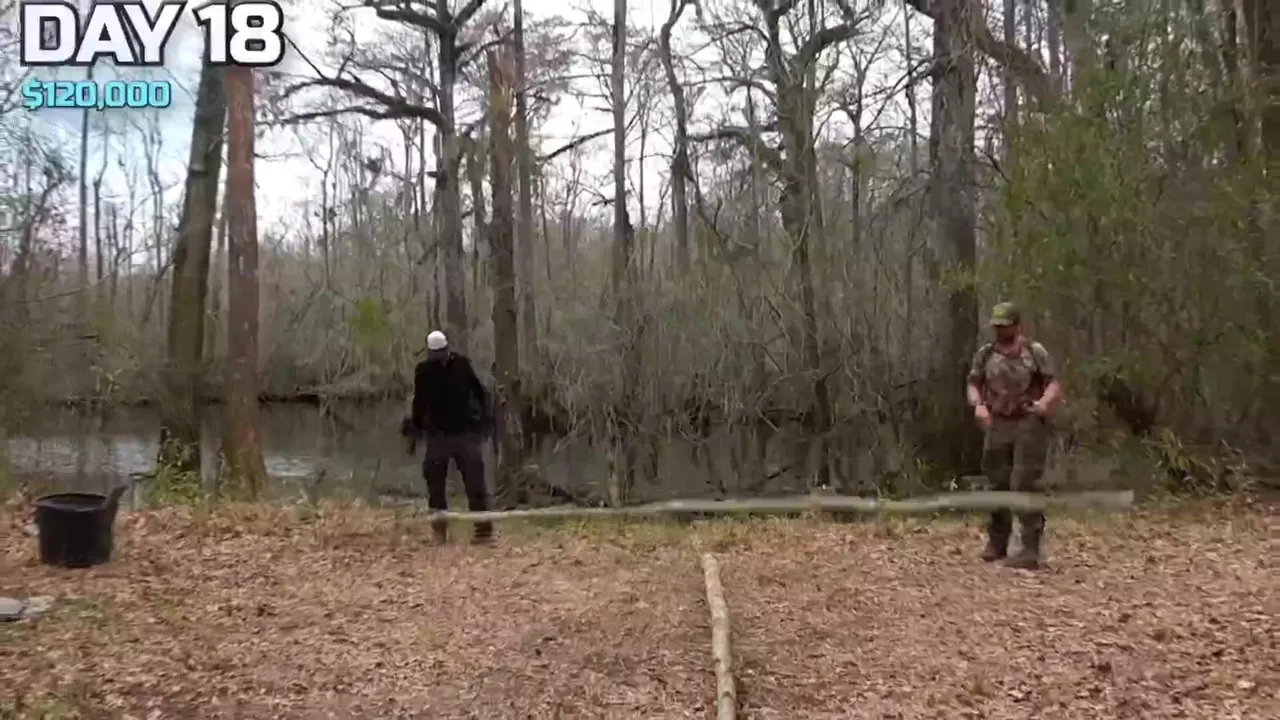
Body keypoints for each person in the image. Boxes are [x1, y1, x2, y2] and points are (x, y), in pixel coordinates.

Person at [965, 302, 1063, 570]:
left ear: (1017, 326)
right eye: (997, 326)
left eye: (1005, 325)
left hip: (1028, 422)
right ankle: (997, 542)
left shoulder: (1034, 352)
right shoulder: (985, 354)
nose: (1000, 330)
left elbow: (1053, 384)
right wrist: (978, 406)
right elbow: (973, 383)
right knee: (997, 483)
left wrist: (1044, 404)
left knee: (1024, 482)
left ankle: (1030, 548)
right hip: (997, 422)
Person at [400, 330, 494, 545]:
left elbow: (479, 392)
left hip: (464, 433)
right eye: (435, 354)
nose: (439, 357)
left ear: (447, 349)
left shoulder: (461, 365)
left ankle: (483, 532)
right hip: (438, 435)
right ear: (430, 353)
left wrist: (484, 419)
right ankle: (439, 532)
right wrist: (415, 429)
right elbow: (419, 403)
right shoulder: (424, 371)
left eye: (441, 353)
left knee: (475, 484)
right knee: (435, 484)